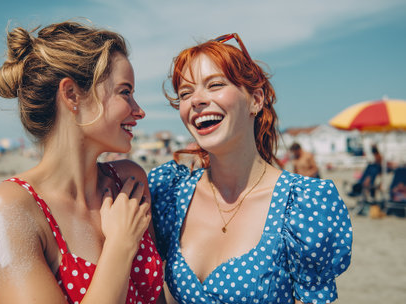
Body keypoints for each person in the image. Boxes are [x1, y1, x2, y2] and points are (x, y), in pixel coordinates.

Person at [148, 33, 352, 304]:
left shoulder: (302, 204)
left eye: (215, 84)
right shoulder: (170, 196)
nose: (196, 100)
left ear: (255, 100)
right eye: (186, 93)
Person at [0, 21, 164, 304]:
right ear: (72, 95)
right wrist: (121, 245)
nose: (139, 111)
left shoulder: (129, 178)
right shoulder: (10, 208)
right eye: (125, 92)